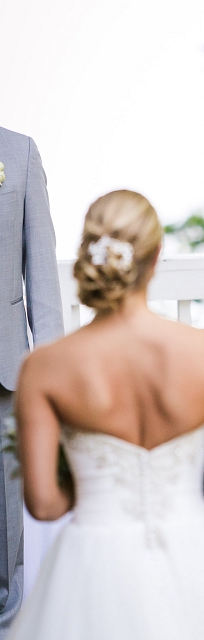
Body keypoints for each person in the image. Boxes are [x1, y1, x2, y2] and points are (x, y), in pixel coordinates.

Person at [10, 191, 204, 640]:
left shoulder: (44, 368)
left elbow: (44, 504)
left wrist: (94, 482)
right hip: (199, 555)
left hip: (91, 563)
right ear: (157, 257)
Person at [0, 125, 63, 635]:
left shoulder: (17, 151)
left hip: (5, 371)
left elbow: (40, 272)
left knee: (7, 543)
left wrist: (53, 378)